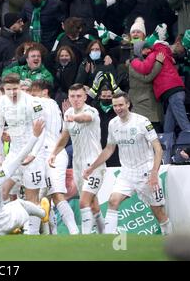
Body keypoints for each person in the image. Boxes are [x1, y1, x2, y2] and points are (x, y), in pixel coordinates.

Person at [84, 92, 172, 235]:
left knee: (159, 212)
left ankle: (169, 239)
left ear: (128, 104)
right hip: (126, 173)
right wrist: (92, 167)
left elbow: (158, 149)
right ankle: (108, 239)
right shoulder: (113, 124)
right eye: (115, 106)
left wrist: (155, 173)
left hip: (147, 172)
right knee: (113, 201)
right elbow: (109, 149)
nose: (118, 108)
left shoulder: (143, 122)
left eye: (120, 105)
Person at [0, 73, 47, 235]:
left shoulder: (33, 102)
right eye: (8, 89)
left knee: (31, 196)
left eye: (15, 88)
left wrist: (34, 154)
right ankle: (11, 225)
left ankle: (32, 232)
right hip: (14, 154)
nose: (12, 92)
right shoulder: (1, 103)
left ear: (20, 86)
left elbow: (41, 131)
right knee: (1, 191)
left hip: (32, 154)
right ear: (4, 89)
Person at [49, 83, 106, 235]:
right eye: (72, 96)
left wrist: (73, 117)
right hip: (78, 165)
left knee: (83, 202)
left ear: (85, 96)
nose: (76, 99)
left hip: (94, 164)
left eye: (79, 96)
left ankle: (85, 237)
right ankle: (105, 233)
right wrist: (54, 153)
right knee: (92, 204)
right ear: (68, 97)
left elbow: (85, 118)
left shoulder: (91, 110)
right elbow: (64, 136)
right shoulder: (68, 112)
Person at [30, 80, 74, 235]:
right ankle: (51, 233)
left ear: (45, 92)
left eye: (34, 91)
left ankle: (74, 232)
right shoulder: (54, 106)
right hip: (48, 153)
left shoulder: (42, 102)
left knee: (56, 194)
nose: (31, 94)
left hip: (52, 154)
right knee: (44, 197)